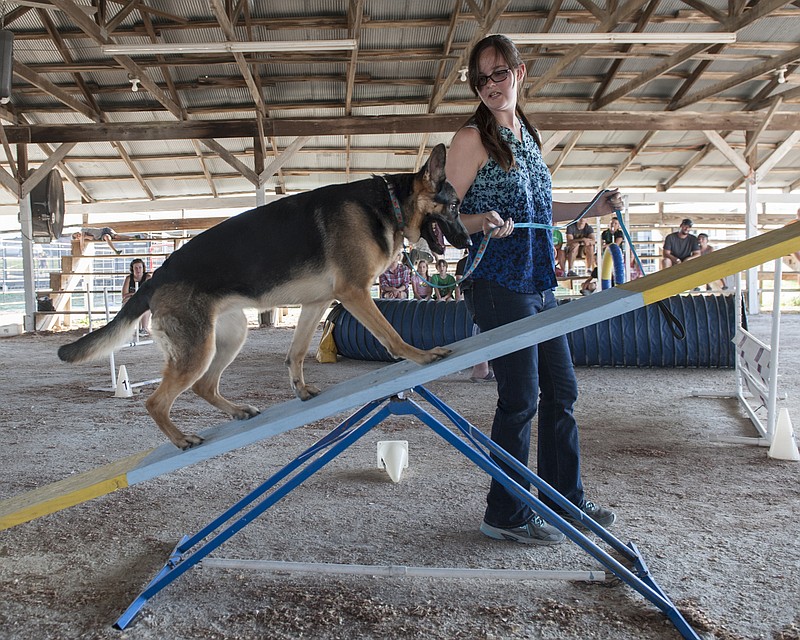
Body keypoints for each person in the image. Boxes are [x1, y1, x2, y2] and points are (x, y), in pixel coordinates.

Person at [446, 34, 619, 545]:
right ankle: (504, 513)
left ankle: (565, 499)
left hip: (538, 278)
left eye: (499, 73)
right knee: (520, 399)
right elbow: (442, 218)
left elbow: (541, 213)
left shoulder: (528, 135)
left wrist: (596, 207)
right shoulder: (468, 140)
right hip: (497, 281)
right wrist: (482, 220)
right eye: (481, 78)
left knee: (562, 391)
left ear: (520, 73)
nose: (491, 85)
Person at [122, 258, 152, 336]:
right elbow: (124, 295)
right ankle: (126, 329)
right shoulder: (129, 278)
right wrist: (135, 294)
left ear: (143, 268)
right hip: (131, 301)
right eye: (136, 268)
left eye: (140, 267)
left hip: (143, 301)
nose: (138, 270)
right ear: (132, 269)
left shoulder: (148, 277)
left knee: (146, 305)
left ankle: (144, 328)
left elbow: (149, 293)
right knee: (126, 303)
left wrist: (133, 294)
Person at [72, 227, 137, 255]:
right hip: (101, 236)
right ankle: (115, 251)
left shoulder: (83, 230)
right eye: (77, 237)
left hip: (104, 230)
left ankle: (133, 237)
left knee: (117, 236)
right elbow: (92, 238)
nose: (79, 236)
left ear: (78, 232)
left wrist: (82, 248)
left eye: (77, 234)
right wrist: (85, 238)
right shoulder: (86, 238)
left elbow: (82, 242)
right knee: (106, 237)